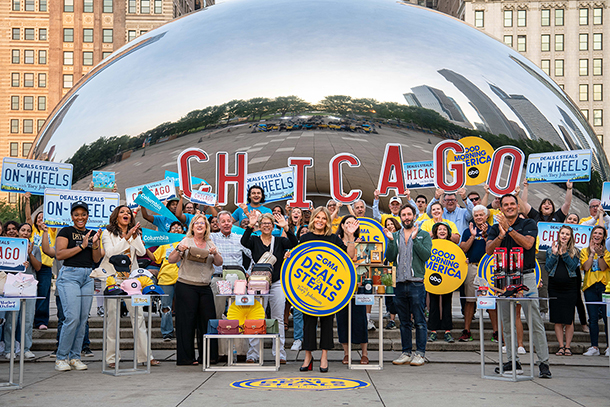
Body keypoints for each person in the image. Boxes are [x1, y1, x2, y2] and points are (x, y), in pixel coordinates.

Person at [486, 194, 552, 379]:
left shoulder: (529, 224)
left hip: (526, 275)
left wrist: (510, 231)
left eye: (512, 204)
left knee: (535, 320)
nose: (509, 207)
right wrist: (501, 234)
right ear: (501, 208)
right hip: (503, 276)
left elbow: (529, 245)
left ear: (517, 206)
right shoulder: (495, 227)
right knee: (506, 321)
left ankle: (544, 363)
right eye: (505, 204)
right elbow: (489, 250)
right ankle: (512, 360)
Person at [298, 207, 357, 372]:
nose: (320, 221)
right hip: (308, 288)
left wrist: (351, 236)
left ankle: (324, 356)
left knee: (327, 322)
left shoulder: (333, 239)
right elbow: (298, 260)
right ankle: (308, 356)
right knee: (308, 323)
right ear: (313, 219)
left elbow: (350, 256)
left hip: (328, 289)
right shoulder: (305, 238)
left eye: (324, 218)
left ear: (328, 221)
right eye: (317, 217)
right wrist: (290, 257)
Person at [101, 205, 159, 368]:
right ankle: (112, 358)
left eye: (128, 212)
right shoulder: (108, 233)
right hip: (112, 278)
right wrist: (126, 238)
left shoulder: (135, 233)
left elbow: (140, 252)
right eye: (122, 212)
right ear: (116, 216)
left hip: (131, 280)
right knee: (112, 318)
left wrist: (135, 236)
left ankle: (145, 356)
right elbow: (110, 254)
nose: (126, 214)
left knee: (138, 316)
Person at [241, 211, 297, 364]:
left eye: (269, 223)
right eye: (263, 223)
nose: (266, 226)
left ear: (273, 226)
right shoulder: (254, 240)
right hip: (257, 282)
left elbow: (294, 243)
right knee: (256, 317)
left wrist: (286, 227)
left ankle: (280, 353)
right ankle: (253, 354)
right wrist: (250, 225)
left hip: (277, 282)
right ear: (260, 225)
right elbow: (243, 242)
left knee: (278, 317)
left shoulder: (279, 241)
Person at [54, 201, 102, 372]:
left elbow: (96, 259)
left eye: (83, 214)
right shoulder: (66, 231)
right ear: (72, 216)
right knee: (72, 317)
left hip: (88, 276)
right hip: (70, 276)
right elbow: (60, 254)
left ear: (87, 215)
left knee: (82, 320)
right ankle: (61, 357)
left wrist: (94, 243)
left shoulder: (93, 233)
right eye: (77, 214)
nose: (80, 217)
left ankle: (75, 357)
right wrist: (82, 245)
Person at [168, 214, 222, 365]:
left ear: (206, 227)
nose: (199, 225)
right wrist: (179, 249)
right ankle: (186, 358)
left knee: (207, 322)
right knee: (186, 323)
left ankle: (208, 356)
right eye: (196, 223)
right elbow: (171, 260)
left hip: (204, 287)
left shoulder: (210, 242)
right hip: (186, 285)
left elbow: (219, 263)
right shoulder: (186, 240)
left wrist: (215, 253)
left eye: (202, 224)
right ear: (192, 226)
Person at [385, 203, 433, 367]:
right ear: (400, 217)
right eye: (403, 215)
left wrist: (414, 239)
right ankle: (406, 352)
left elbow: (426, 255)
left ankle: (420, 353)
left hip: (416, 284)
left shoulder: (423, 235)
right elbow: (390, 257)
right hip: (399, 283)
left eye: (409, 214)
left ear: (414, 216)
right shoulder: (395, 235)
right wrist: (391, 242)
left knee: (419, 320)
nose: (406, 217)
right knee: (404, 321)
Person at [520, 180, 573, 317]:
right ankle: (543, 310)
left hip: (556, 255)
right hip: (540, 256)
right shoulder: (535, 217)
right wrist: (526, 187)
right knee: (541, 284)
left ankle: (560, 310)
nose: (547, 204)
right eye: (544, 203)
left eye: (549, 203)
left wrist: (569, 189)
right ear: (541, 207)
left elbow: (567, 204)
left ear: (553, 207)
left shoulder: (558, 216)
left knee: (557, 283)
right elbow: (524, 204)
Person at [210, 210, 252, 359]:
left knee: (240, 315)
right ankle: (221, 353)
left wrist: (249, 272)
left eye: (229, 221)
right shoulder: (212, 238)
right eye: (223, 221)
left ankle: (241, 352)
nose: (226, 224)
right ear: (218, 224)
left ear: (232, 222)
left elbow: (253, 255)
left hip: (238, 280)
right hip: (219, 279)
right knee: (219, 316)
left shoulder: (240, 238)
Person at [459, 205, 499, 343]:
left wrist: (487, 234)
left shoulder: (494, 229)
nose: (479, 217)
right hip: (472, 267)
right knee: (470, 301)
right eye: (476, 215)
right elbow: (463, 248)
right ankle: (466, 331)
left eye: (481, 215)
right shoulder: (467, 230)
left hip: (488, 270)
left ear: (486, 216)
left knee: (490, 300)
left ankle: (496, 332)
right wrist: (472, 236)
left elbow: (495, 247)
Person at [3, 223, 41, 359]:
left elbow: (38, 267)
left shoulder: (35, 248)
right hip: (13, 284)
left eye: (28, 231)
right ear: (18, 232)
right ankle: (9, 349)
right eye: (23, 230)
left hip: (29, 286)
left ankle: (26, 348)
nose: (25, 232)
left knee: (28, 318)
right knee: (11, 319)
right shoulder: (9, 247)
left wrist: (30, 255)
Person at [334, 215, 369, 364]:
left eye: (352, 223)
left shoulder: (362, 243)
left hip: (358, 286)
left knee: (360, 319)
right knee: (342, 320)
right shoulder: (335, 243)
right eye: (347, 222)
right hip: (340, 287)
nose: (349, 225)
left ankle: (364, 353)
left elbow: (364, 263)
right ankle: (346, 353)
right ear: (342, 225)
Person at [546, 225, 581, 356]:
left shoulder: (575, 251)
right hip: (555, 287)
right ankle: (561, 346)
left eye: (567, 234)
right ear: (559, 235)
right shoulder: (550, 250)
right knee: (557, 318)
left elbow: (573, 268)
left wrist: (565, 253)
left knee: (568, 318)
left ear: (571, 237)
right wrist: (555, 254)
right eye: (562, 233)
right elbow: (548, 268)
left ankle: (568, 346)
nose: (564, 236)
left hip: (570, 287)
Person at [152, 221, 185, 341]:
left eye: (179, 227)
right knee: (166, 307)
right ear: (169, 231)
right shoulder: (164, 244)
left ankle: (183, 332)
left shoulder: (187, 243)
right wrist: (145, 248)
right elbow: (155, 259)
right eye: (173, 228)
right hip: (165, 278)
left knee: (184, 307)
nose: (176, 230)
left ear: (183, 231)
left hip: (183, 278)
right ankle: (167, 333)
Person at [580, 225, 610, 356]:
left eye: (600, 233)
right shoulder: (584, 251)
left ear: (604, 237)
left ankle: (609, 346)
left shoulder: (607, 251)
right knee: (592, 318)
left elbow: (603, 267)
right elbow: (586, 267)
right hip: (590, 287)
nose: (597, 235)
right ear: (591, 235)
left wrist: (601, 254)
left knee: (606, 317)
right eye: (595, 233)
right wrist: (592, 253)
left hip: (604, 286)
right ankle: (594, 347)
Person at [427, 222, 455, 343]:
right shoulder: (430, 244)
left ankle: (447, 331)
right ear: (435, 232)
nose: (442, 231)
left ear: (448, 232)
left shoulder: (452, 245)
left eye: (444, 229)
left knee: (447, 303)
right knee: (433, 303)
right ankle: (433, 331)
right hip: (432, 278)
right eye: (439, 230)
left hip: (448, 279)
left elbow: (457, 259)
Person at [565, 213, 589, 333]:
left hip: (575, 270)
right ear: (565, 220)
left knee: (577, 299)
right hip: (561, 271)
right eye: (570, 219)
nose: (572, 221)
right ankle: (568, 323)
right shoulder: (560, 233)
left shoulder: (581, 233)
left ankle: (584, 323)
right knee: (564, 299)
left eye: (575, 220)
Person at [383, 217, 401, 330]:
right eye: (387, 224)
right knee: (390, 296)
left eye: (391, 223)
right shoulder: (384, 237)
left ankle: (409, 319)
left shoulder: (401, 235)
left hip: (399, 269)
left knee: (402, 295)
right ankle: (392, 320)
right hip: (388, 270)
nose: (390, 226)